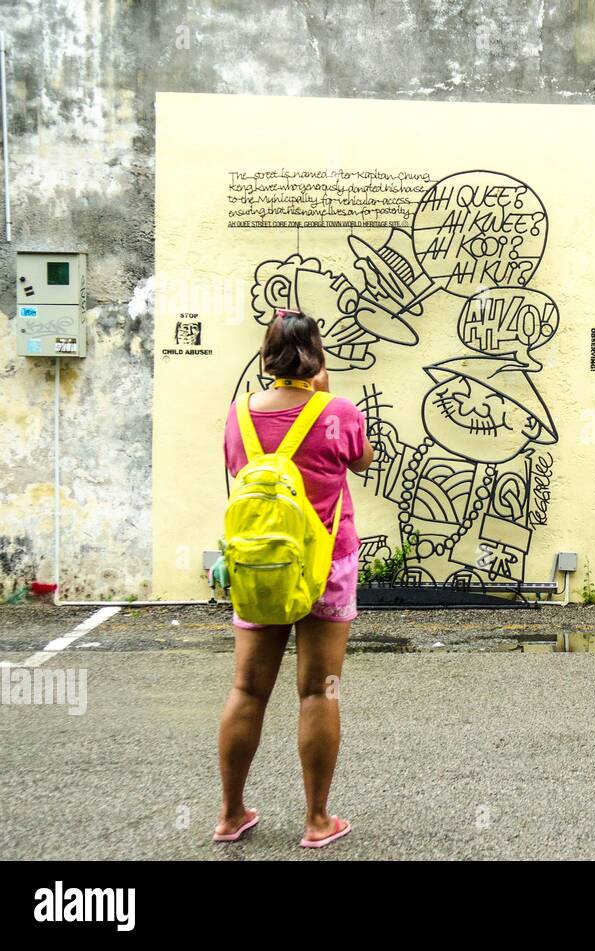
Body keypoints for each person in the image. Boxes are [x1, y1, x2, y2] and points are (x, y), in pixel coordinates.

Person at [213, 309, 373, 849]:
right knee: (318, 692)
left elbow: (239, 471)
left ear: (268, 356)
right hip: (328, 566)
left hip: (263, 566)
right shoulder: (339, 411)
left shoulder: (238, 415)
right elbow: (363, 462)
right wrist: (324, 394)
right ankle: (317, 820)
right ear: (316, 355)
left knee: (246, 689)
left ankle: (231, 813)